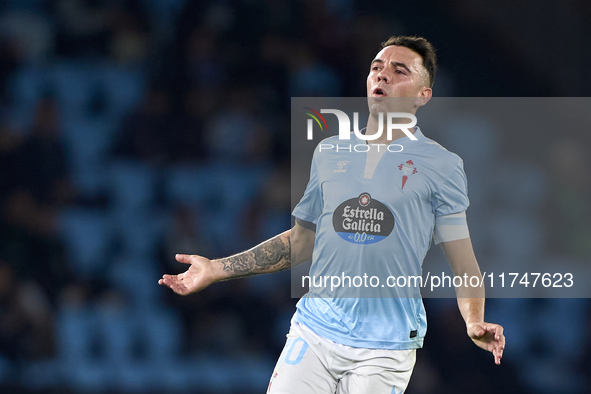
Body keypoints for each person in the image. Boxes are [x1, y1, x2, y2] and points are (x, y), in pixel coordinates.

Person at [159, 35, 505, 394]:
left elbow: (464, 265)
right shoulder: (329, 150)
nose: (382, 76)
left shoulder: (443, 165)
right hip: (315, 330)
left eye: (399, 70)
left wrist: (473, 321)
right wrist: (216, 268)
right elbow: (301, 241)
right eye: (376, 68)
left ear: (423, 95)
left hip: (384, 348)